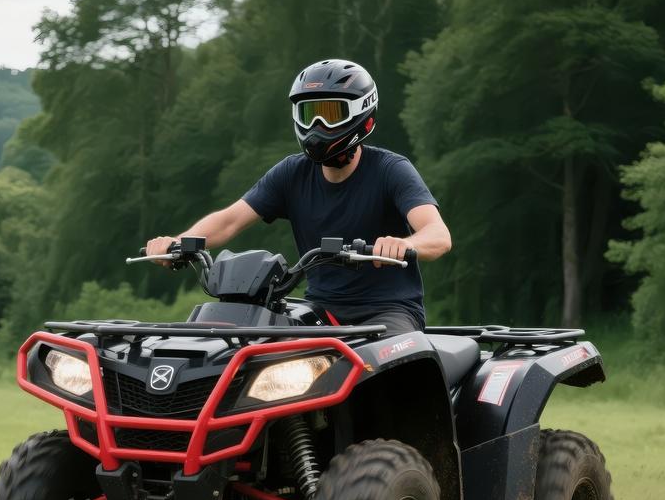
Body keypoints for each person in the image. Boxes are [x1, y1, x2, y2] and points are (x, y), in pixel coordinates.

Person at [145, 59, 451, 334]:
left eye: (330, 114)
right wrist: (179, 242)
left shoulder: (390, 169)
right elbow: (229, 220)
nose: (318, 126)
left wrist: (404, 244)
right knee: (247, 348)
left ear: (362, 113)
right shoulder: (292, 172)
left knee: (393, 365)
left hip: (388, 312)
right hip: (319, 312)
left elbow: (438, 236)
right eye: (309, 114)